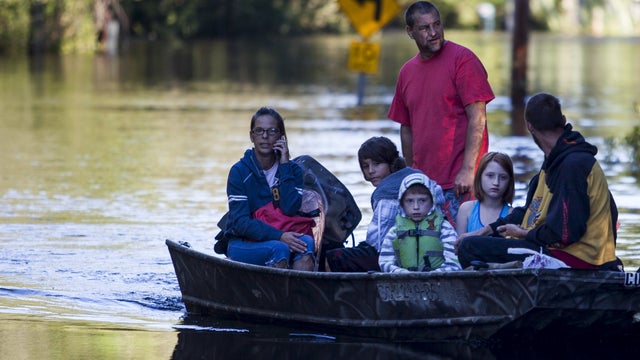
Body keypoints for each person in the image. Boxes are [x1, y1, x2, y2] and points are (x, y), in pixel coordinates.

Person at [457, 93, 622, 271]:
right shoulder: (554, 160)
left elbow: (565, 234)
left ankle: (505, 280)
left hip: (576, 259)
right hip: (553, 250)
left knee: (469, 248)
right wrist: (487, 230)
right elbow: (529, 210)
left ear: (530, 126)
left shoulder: (572, 166)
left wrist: (524, 234)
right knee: (474, 241)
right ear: (563, 120)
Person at [387, 1, 495, 226]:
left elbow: (478, 116)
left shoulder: (463, 60)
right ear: (410, 32)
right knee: (427, 251)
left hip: (461, 182)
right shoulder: (406, 72)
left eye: (437, 24)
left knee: (461, 250)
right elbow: (406, 128)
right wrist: (411, 173)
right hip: (424, 185)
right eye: (425, 28)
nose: (434, 32)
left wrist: (468, 170)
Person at [324, 136, 445, 272]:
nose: (371, 171)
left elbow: (379, 243)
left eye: (377, 164)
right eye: (366, 166)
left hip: (398, 257)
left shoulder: (386, 194)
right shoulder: (421, 179)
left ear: (391, 164)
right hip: (430, 251)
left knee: (332, 257)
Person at [224, 107, 315, 271]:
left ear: (281, 137)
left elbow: (290, 208)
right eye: (259, 131)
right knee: (279, 248)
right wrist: (279, 236)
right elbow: (240, 223)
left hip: (281, 234)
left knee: (306, 242)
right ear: (252, 136)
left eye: (272, 131)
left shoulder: (293, 170)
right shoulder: (239, 171)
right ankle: (273, 295)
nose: (265, 137)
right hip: (242, 242)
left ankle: (298, 294)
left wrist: (285, 164)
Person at [379, 173, 461, 273]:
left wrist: (434, 275)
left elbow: (455, 264)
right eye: (410, 201)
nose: (416, 207)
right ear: (401, 203)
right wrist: (401, 273)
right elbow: (384, 262)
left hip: (439, 282)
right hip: (403, 282)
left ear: (432, 201)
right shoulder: (394, 231)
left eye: (422, 200)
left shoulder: (444, 229)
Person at [455, 152, 514, 236]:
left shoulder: (512, 214)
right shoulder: (466, 209)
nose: (496, 182)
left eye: (503, 177)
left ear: (510, 181)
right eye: (490, 175)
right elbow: (458, 246)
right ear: (479, 177)